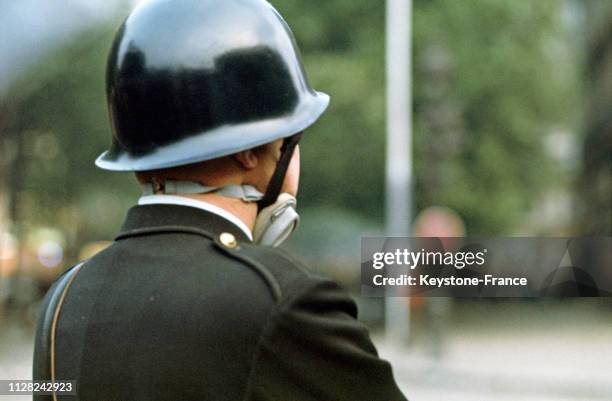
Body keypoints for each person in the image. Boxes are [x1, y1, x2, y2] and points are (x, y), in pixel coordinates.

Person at [33, 0, 408, 400]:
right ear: (250, 150)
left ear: (139, 161)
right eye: (292, 140)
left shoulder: (63, 301)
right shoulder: (282, 299)